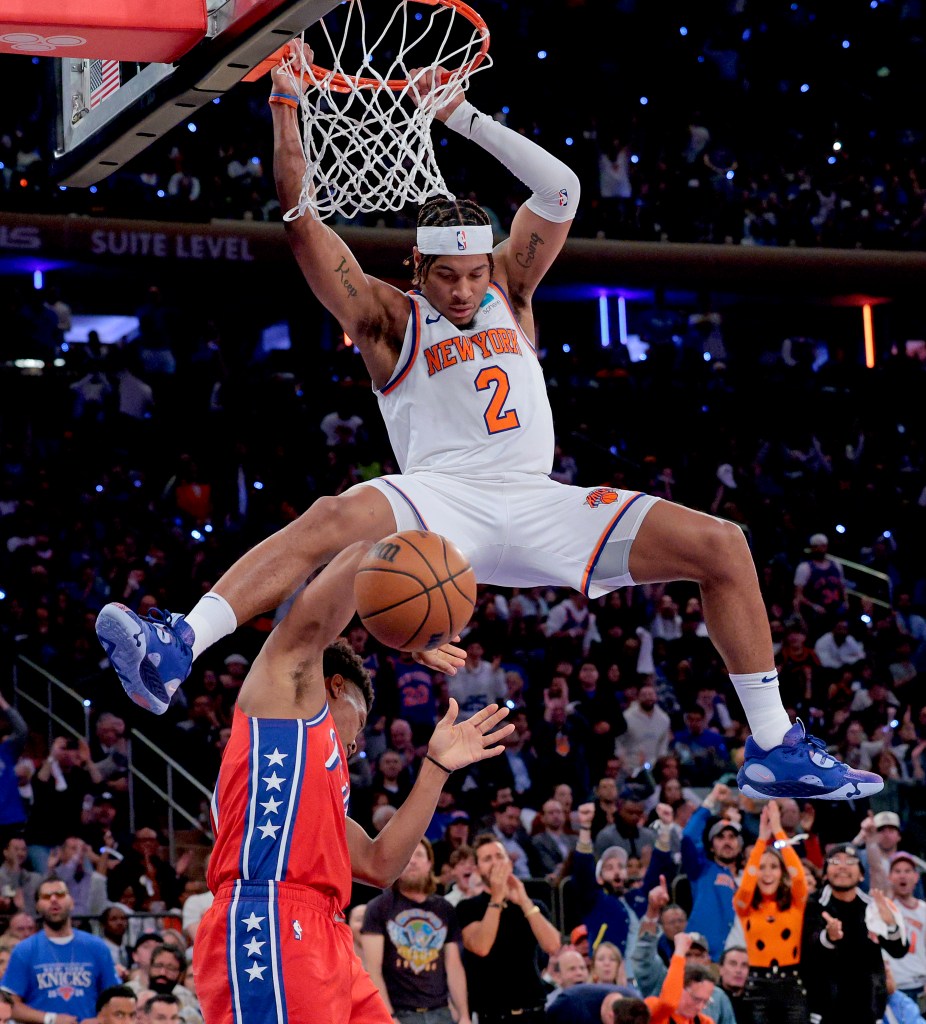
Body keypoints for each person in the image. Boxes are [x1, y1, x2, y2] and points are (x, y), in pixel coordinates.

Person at [93, 43, 882, 807]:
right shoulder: (387, 319)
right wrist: (286, 103)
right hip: (443, 499)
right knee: (334, 515)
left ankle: (775, 746)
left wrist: (461, 114)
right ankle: (178, 646)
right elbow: (302, 224)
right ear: (417, 268)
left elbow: (562, 191)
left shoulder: (513, 284)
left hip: (537, 500)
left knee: (724, 546)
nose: (465, 290)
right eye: (448, 277)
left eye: (475, 274)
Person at [188, 542, 512, 1024]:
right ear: (336, 687)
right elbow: (313, 620)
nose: (354, 747)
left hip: (326, 931)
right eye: (358, 728)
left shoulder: (322, 789)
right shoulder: (286, 700)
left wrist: (436, 768)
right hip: (267, 919)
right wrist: (388, 562)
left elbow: (381, 865)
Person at [360, 838, 470, 1024]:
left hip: (441, 1012)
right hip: (401, 1014)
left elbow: (454, 967)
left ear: (429, 864)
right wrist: (389, 1015)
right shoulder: (379, 908)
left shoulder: (445, 909)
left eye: (418, 854)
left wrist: (464, 1015)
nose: (412, 860)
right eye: (407, 855)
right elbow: (373, 969)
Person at [456, 834, 561, 1023]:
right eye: (487, 859)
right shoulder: (468, 908)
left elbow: (553, 946)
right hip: (494, 1015)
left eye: (499, 856)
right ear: (477, 870)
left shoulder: (532, 905)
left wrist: (524, 901)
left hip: (534, 1012)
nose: (495, 863)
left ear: (509, 863)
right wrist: (497, 898)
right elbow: (481, 947)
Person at [802, 842, 909, 1024]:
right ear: (826, 873)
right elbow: (807, 948)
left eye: (850, 861)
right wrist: (828, 937)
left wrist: (891, 925)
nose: (843, 866)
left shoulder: (873, 906)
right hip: (824, 1013)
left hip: (867, 1010)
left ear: (861, 875)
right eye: (835, 861)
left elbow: (898, 950)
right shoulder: (812, 904)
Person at [0, 875, 120, 1024]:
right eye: (46, 896)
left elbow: (116, 998)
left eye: (60, 894)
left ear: (71, 902)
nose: (54, 900)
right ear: (37, 906)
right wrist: (51, 1019)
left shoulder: (97, 947)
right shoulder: (24, 950)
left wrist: (99, 1020)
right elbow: (9, 1005)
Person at [733, 800, 809, 1023]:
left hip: (792, 987)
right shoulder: (744, 906)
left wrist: (778, 831)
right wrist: (761, 840)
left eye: (774, 867)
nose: (766, 874)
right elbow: (747, 885)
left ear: (782, 872)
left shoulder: (796, 903)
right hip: (757, 989)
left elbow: (799, 876)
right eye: (762, 867)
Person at [680, 784, 743, 960]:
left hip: (740, 960)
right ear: (712, 847)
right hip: (704, 958)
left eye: (732, 837)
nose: (727, 842)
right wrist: (712, 799)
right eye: (720, 837)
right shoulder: (702, 870)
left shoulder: (750, 876)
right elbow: (688, 838)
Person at [885, 851, 926, 1004]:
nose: (902, 876)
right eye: (897, 871)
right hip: (895, 987)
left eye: (907, 871)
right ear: (889, 877)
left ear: (916, 877)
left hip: (921, 986)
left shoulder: (924, 910)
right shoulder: (885, 910)